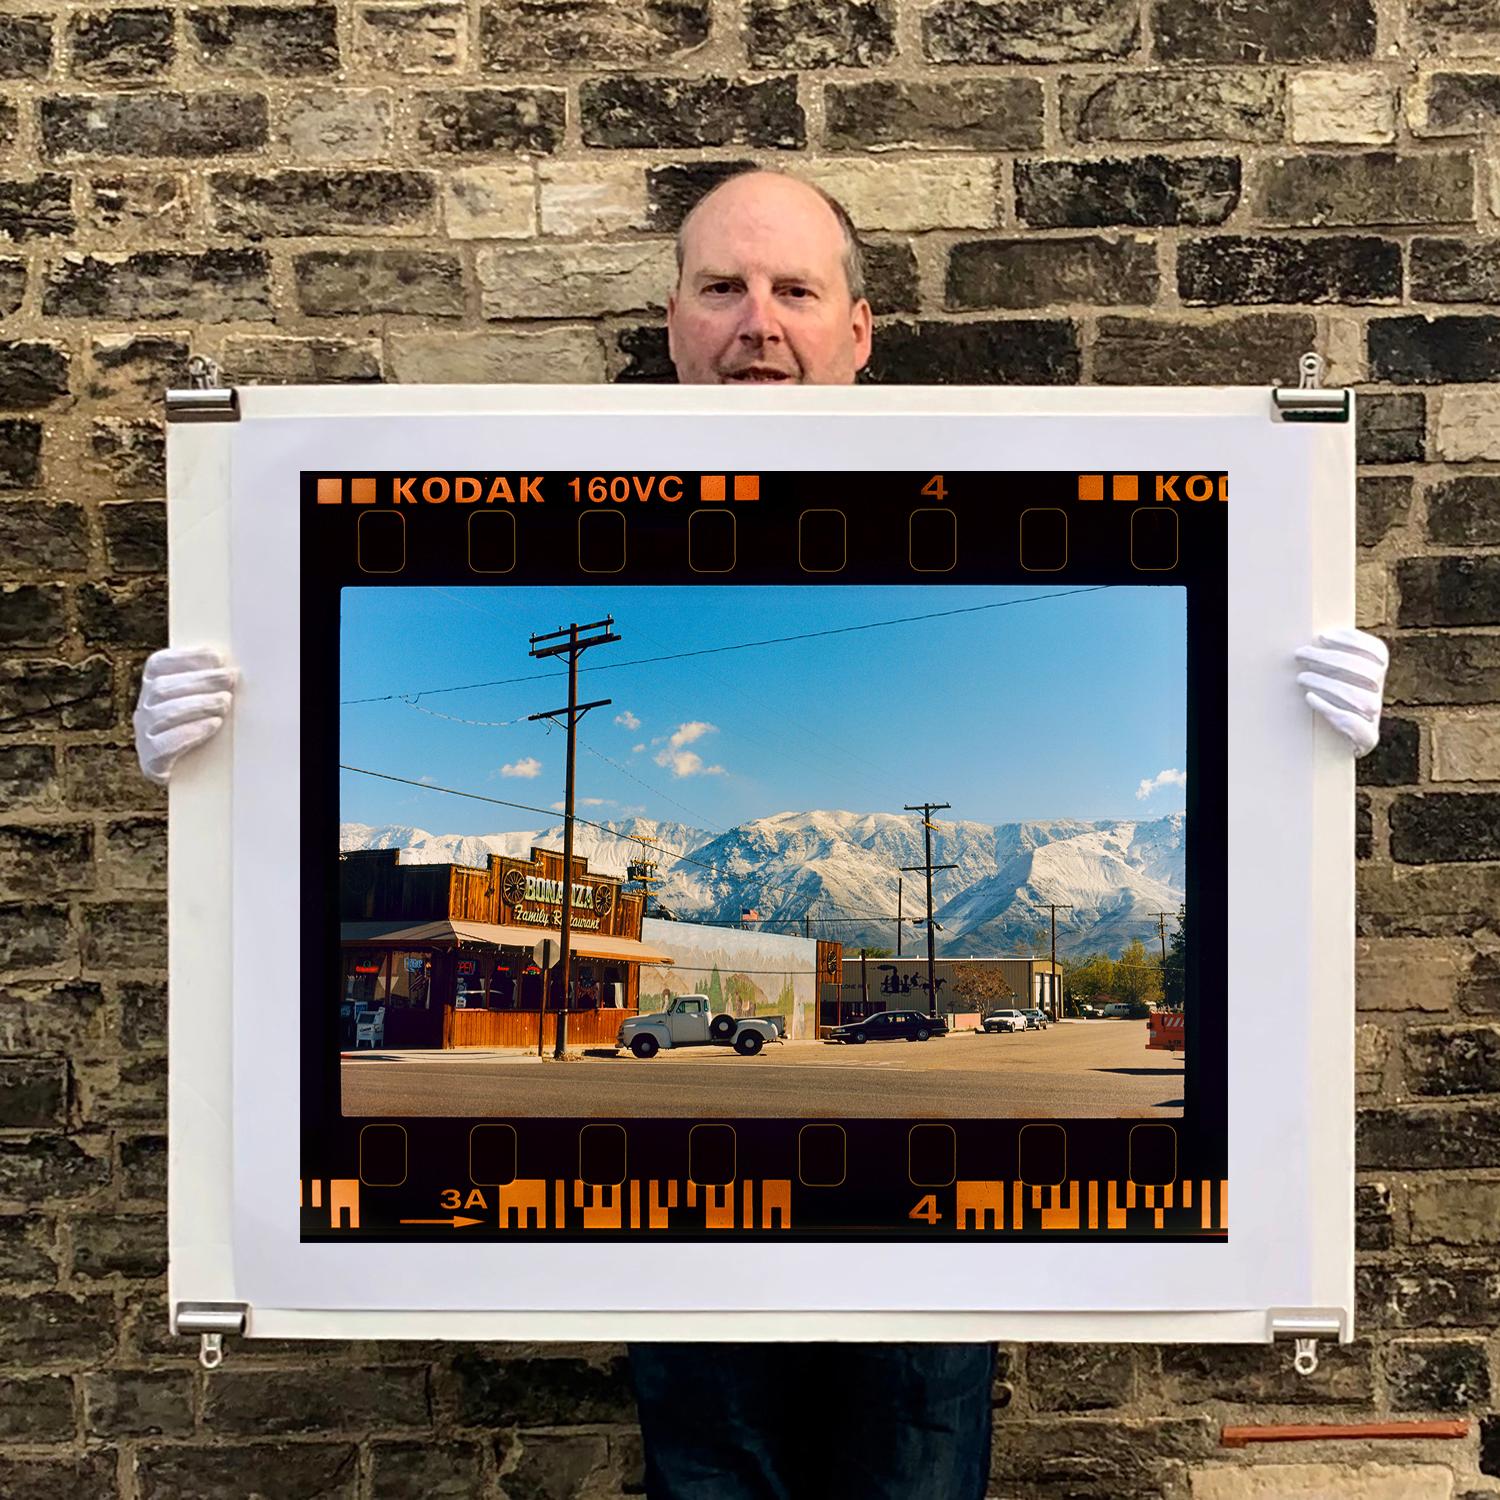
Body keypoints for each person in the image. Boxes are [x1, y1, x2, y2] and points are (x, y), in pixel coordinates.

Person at [135, 169, 1389, 1499]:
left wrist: (1294, 745)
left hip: (938, 1253)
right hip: (682, 1246)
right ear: (671, 320)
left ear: (858, 329)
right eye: (723, 288)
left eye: (795, 290)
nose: (758, 322)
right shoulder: (562, 504)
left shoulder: (981, 490)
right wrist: (226, 766)